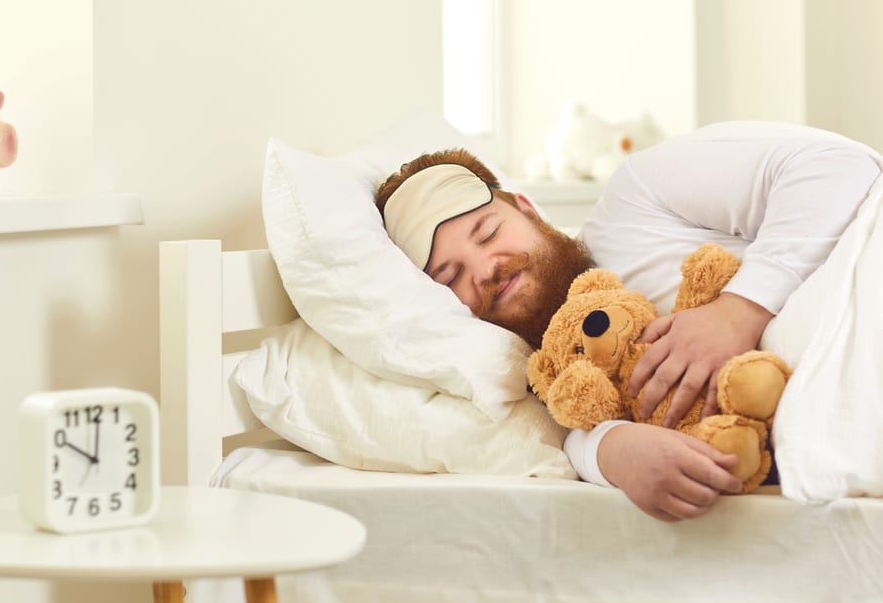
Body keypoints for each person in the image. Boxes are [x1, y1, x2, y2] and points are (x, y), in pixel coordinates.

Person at [375, 121, 882, 522]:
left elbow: (841, 166)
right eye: (451, 275)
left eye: (488, 233)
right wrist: (612, 451)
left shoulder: (638, 196)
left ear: (528, 210)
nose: (486, 270)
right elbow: (567, 423)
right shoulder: (532, 367)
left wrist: (738, 309)